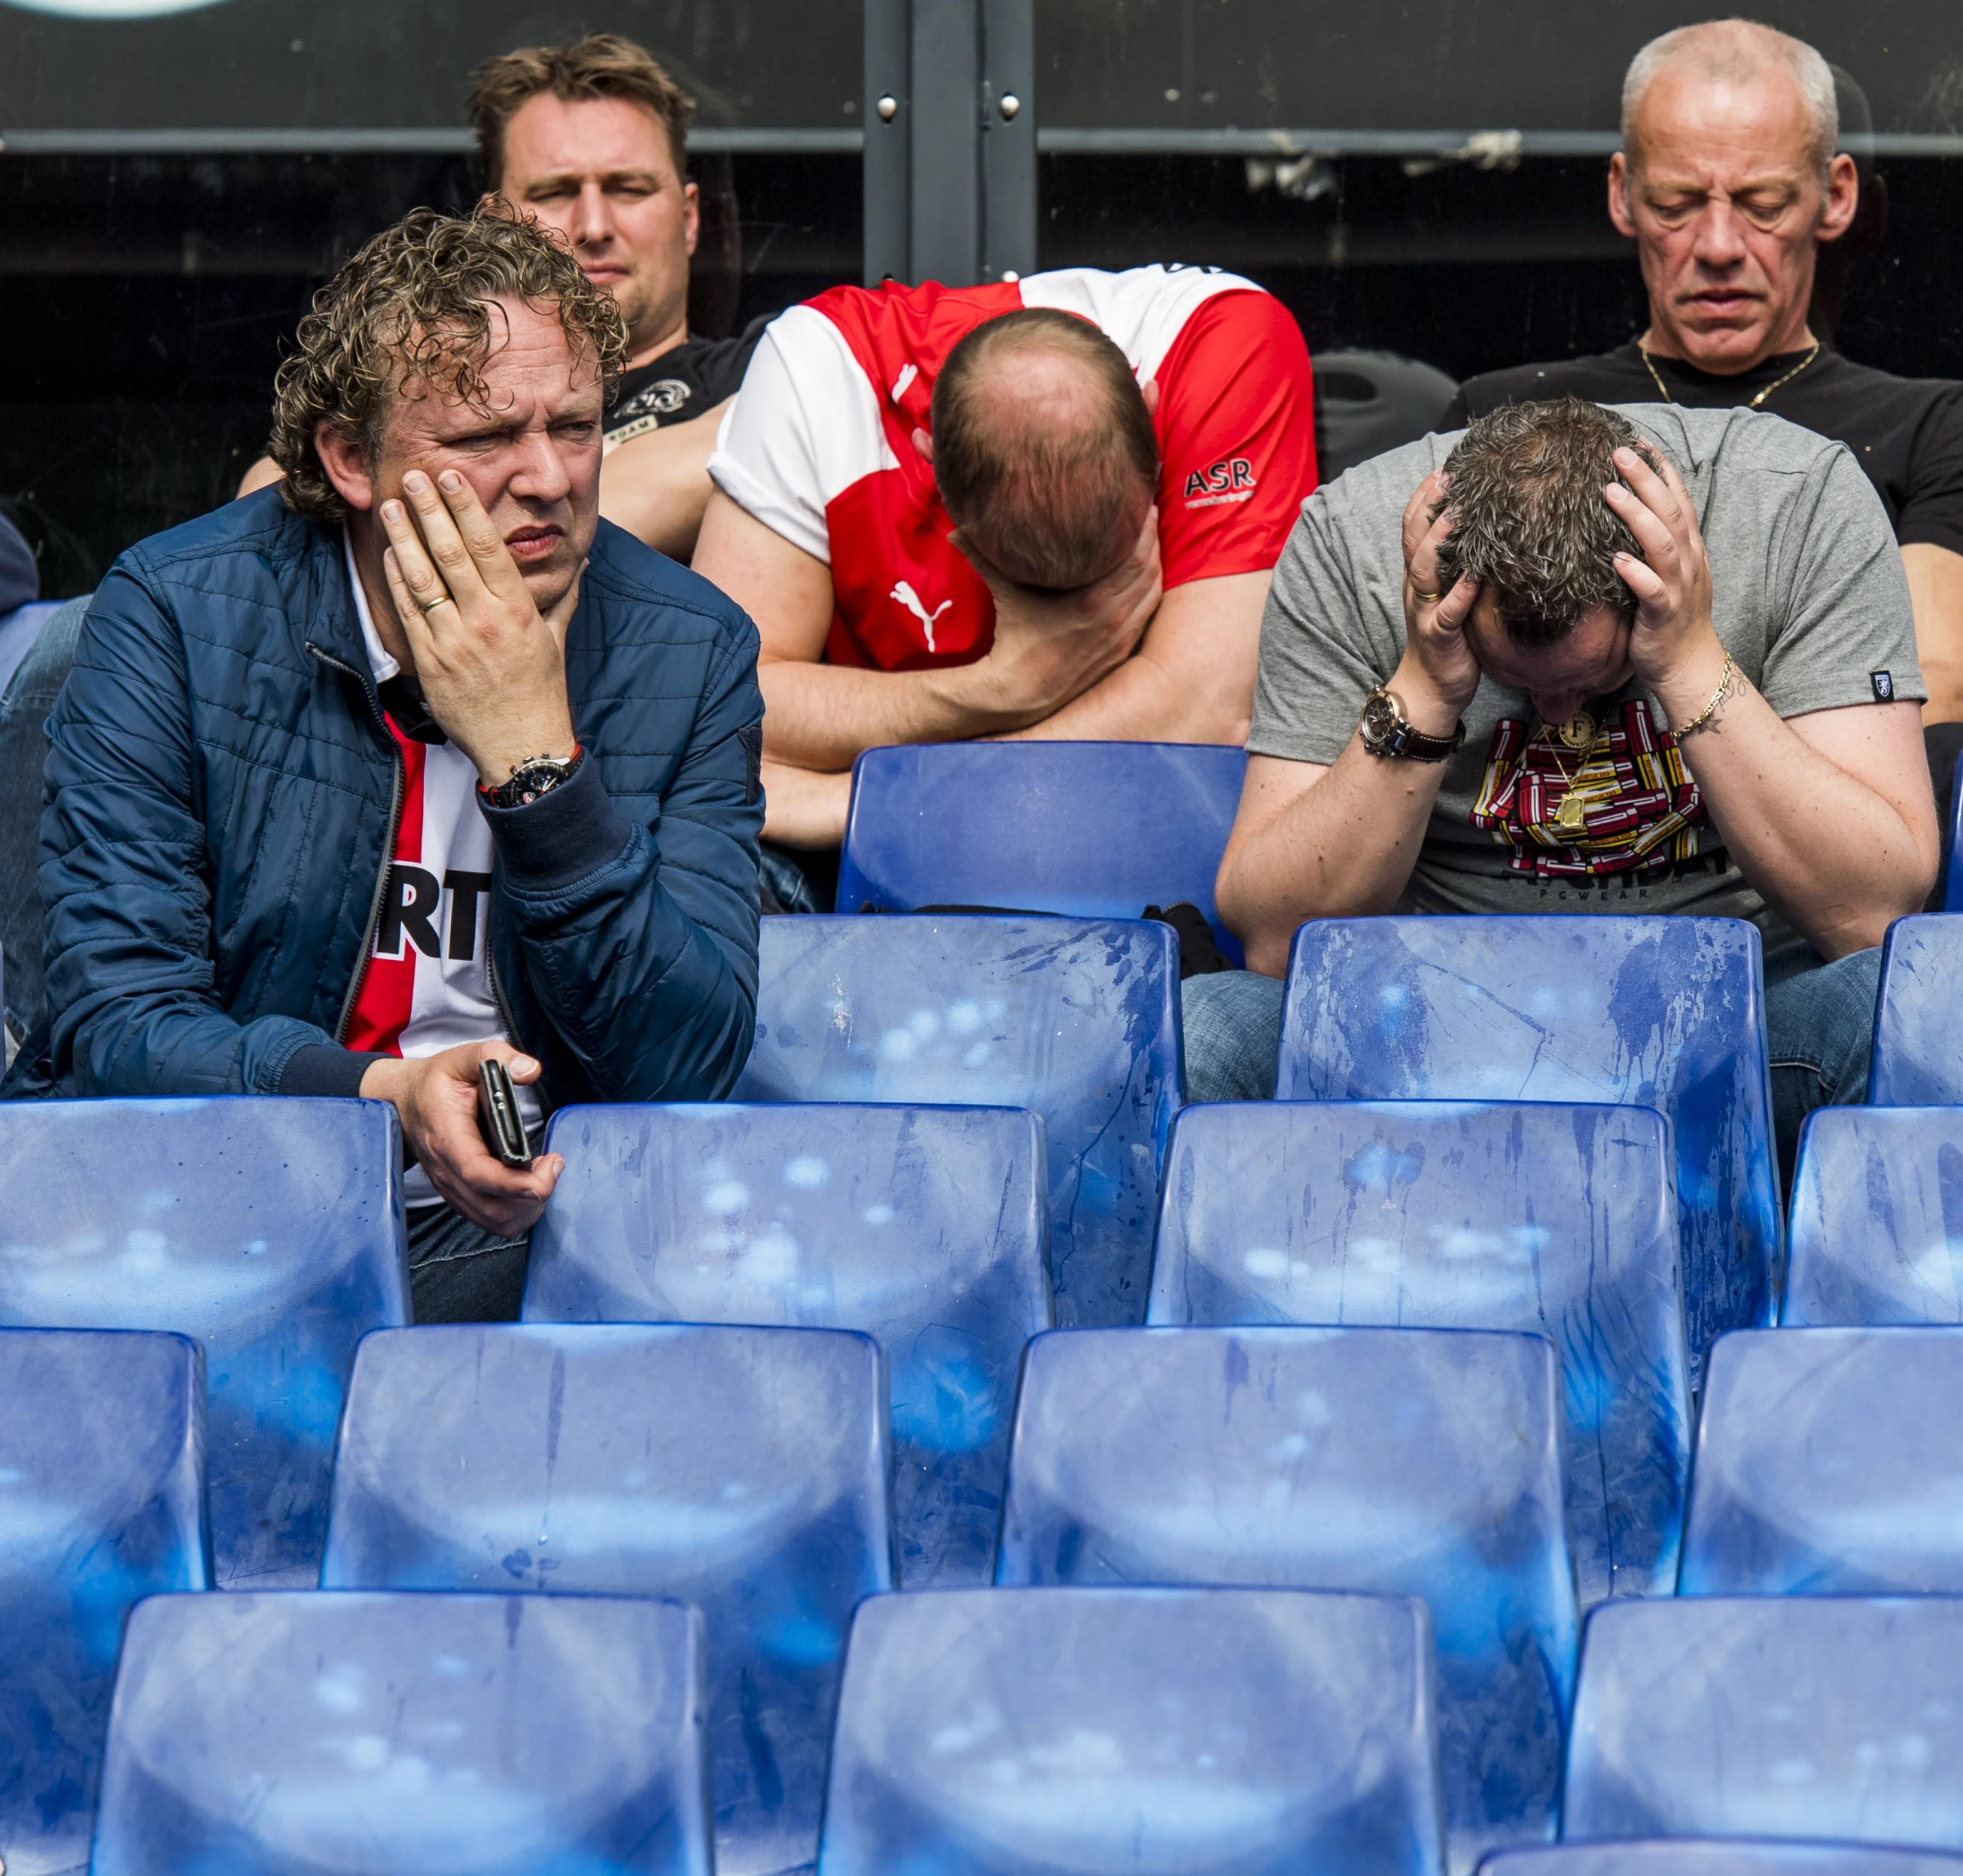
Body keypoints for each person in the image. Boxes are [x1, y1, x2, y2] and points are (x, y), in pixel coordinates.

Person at [5, 202, 765, 1323]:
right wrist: (380, 1096)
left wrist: (538, 766)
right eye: (481, 440)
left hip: (532, 1233)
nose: (549, 478)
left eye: (575, 427)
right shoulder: (178, 611)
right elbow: (116, 1017)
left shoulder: (690, 647)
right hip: (219, 1198)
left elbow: (687, 1064)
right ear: (350, 459)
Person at [1192, 396, 1940, 1160]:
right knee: (1200, 1034)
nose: (1556, 710)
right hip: (1422, 1012)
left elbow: (1871, 912)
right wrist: (1425, 689)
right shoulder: (1350, 539)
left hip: (1737, 1012)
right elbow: (1279, 943)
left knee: (1908, 1016)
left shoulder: (1796, 500)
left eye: (1593, 676)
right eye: (1513, 679)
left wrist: (1686, 663)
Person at [1448, 20, 1963, 731]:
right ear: (1623, 194)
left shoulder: (1935, 431)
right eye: (1676, 205)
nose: (1719, 247)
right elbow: (1423, 666)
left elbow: (1933, 698)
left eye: (1763, 205)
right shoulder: (1503, 412)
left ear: (1837, 196)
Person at [693, 263, 1317, 865]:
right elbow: (722, 709)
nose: (1089, 611)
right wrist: (999, 687)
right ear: (931, 470)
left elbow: (1200, 713)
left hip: (1147, 868)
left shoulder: (1221, 339)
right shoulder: (821, 369)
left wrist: (857, 805)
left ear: (1155, 419)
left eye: (1118, 579)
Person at [236, 32, 760, 560]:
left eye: (630, 189)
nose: (595, 225)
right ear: (495, 222)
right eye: (555, 192)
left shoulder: (764, 372)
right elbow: (267, 513)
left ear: (690, 219)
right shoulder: (419, 376)